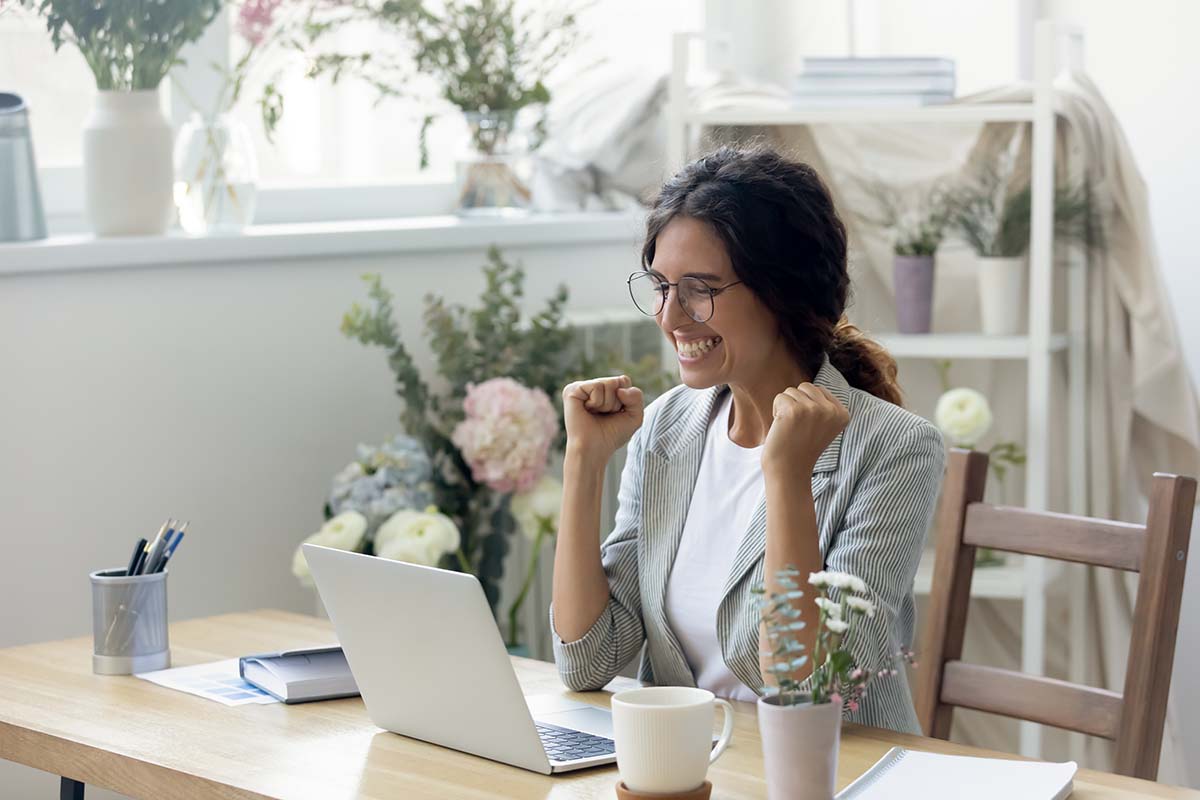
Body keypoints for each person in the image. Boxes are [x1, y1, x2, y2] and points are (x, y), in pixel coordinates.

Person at [549, 145, 945, 733]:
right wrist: (583, 461)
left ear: (782, 292)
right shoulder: (667, 428)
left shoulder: (894, 448)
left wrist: (786, 479)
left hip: (832, 776)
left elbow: (811, 687)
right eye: (661, 285)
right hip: (690, 773)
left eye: (700, 288)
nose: (670, 316)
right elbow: (587, 660)